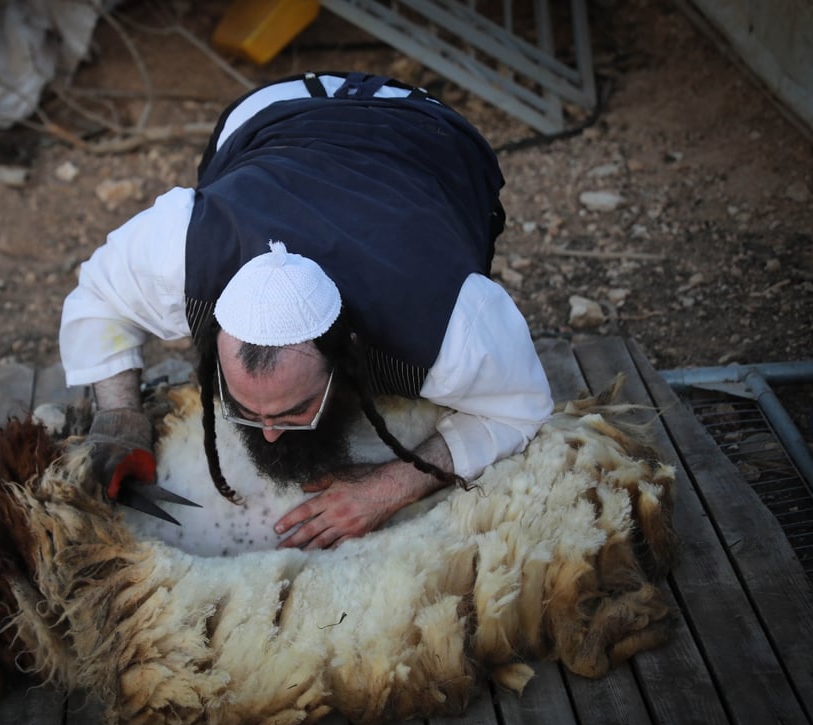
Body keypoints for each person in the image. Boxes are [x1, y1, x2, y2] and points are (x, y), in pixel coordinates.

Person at [59, 71, 553, 550]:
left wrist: (393, 485)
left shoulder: (451, 321)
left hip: (428, 134)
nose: (269, 432)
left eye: (295, 410)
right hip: (279, 110)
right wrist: (121, 414)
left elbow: (520, 408)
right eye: (246, 409)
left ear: (347, 353)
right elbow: (97, 299)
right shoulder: (178, 248)